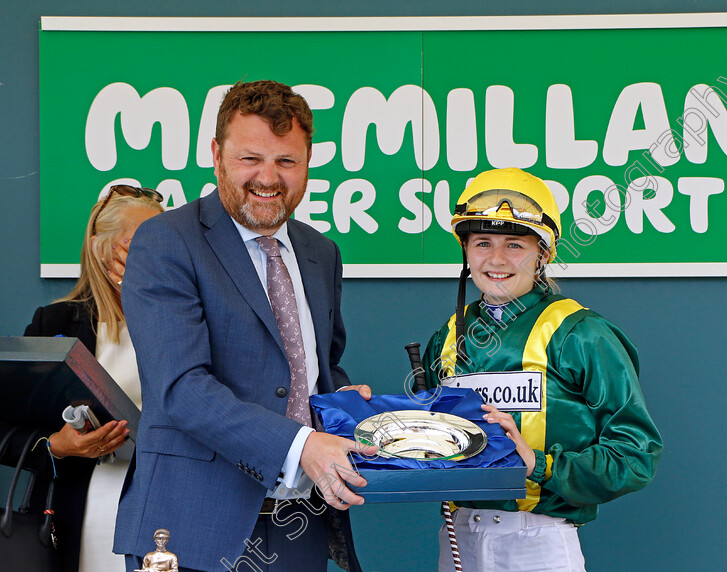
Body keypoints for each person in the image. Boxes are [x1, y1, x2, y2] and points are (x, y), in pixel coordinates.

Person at [115, 80, 375, 572]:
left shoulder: (321, 252)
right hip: (190, 529)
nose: (268, 177)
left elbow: (317, 368)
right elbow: (181, 388)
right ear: (217, 154)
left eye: (286, 161)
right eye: (250, 158)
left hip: (302, 521)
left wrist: (342, 407)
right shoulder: (166, 241)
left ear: (308, 163)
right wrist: (304, 446)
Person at [421, 168, 663, 572]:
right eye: (482, 242)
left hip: (540, 538)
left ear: (544, 253)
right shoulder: (444, 339)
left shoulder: (582, 334)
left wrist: (538, 464)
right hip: (458, 535)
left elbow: (635, 456)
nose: (496, 260)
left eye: (515, 244)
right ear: (465, 250)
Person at [18, 185, 164, 572]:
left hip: (169, 512)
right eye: (141, 243)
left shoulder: (187, 322)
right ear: (104, 252)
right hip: (78, 517)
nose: (160, 254)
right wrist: (56, 446)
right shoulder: (56, 324)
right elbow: (9, 426)